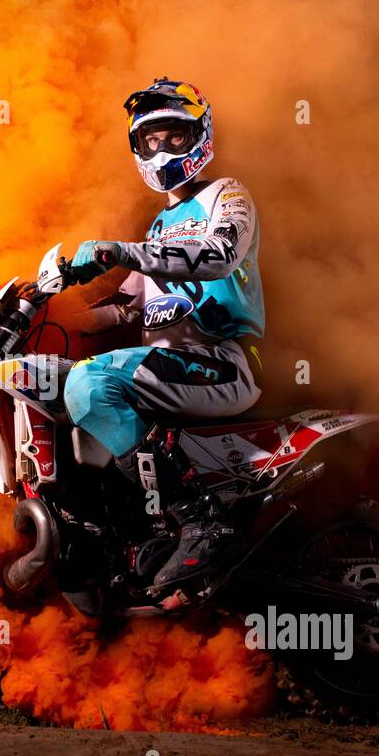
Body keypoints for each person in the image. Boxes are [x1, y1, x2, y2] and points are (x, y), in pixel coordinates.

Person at [62, 77, 265, 605]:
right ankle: (142, 541)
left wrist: (120, 251)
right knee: (66, 386)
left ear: (200, 135)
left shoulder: (229, 195)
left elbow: (218, 254)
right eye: (149, 141)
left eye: (174, 136)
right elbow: (124, 306)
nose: (161, 149)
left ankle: (199, 524)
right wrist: (49, 309)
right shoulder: (157, 228)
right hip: (173, 367)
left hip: (224, 361)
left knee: (91, 381)